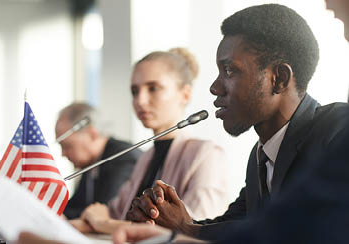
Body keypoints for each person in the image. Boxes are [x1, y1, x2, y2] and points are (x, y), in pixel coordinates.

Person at [124, 3, 349, 242]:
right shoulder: (260, 157)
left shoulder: (338, 130)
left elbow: (305, 230)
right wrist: (168, 219)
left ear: (279, 79)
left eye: (229, 71)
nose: (214, 87)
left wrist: (187, 229)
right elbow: (240, 226)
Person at [72, 47, 230, 234]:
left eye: (153, 88)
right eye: (134, 91)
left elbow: (194, 231)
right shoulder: (146, 158)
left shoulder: (206, 154)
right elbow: (113, 214)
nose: (140, 100)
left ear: (185, 94)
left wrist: (103, 224)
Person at [55, 103, 141, 219]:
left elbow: (105, 211)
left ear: (92, 134)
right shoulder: (90, 163)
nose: (63, 154)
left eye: (67, 146)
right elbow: (76, 205)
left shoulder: (123, 158)